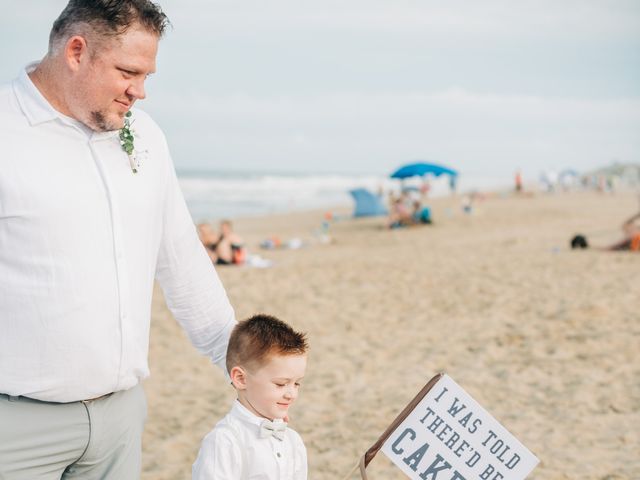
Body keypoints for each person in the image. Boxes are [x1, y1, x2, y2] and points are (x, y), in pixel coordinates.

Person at [0, 2, 237, 478]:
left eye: (148, 75)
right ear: (76, 51)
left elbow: (181, 259)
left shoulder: (146, 136)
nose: (141, 92)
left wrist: (239, 358)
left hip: (120, 421)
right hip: (15, 428)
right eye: (129, 72)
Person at [192, 314, 309, 479]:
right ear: (240, 379)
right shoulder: (224, 442)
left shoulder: (293, 441)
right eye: (281, 384)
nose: (291, 394)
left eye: (297, 383)